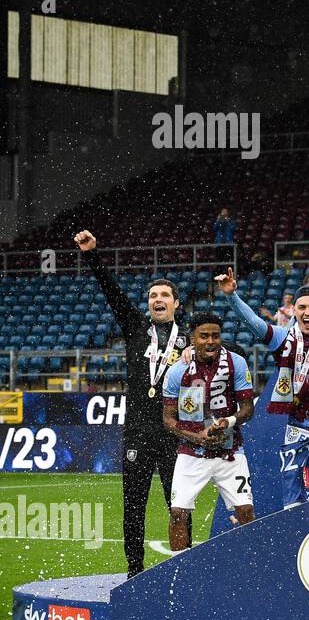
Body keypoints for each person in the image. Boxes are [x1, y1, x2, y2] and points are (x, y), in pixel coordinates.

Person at [74, 229, 189, 578]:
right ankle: (134, 571)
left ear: (175, 303)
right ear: (148, 303)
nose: (158, 299)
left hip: (174, 434)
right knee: (133, 507)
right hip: (138, 433)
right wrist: (92, 254)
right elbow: (111, 292)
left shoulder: (190, 338)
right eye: (153, 295)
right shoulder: (137, 328)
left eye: (165, 295)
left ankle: (182, 569)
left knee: (179, 506)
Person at [218, 267, 309, 507]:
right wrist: (232, 296)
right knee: (296, 497)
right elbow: (251, 321)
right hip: (299, 426)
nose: (308, 312)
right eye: (302, 308)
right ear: (294, 311)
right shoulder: (282, 337)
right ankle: (299, 538)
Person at [160, 312, 255, 550]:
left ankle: (253, 569)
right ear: (192, 338)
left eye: (215, 335)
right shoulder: (176, 372)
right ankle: (178, 572)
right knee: (178, 512)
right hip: (191, 453)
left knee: (246, 512)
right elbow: (169, 421)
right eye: (204, 336)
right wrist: (197, 437)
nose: (210, 341)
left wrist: (229, 421)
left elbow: (248, 409)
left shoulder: (236, 363)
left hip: (230, 451)